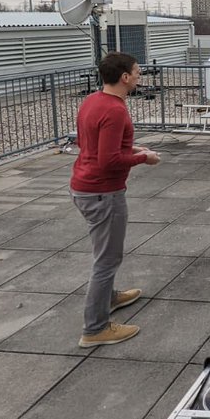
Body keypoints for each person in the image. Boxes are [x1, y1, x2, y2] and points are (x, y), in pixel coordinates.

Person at [70, 51, 160, 348]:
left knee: (104, 254)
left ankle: (108, 299)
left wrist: (131, 146)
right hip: (102, 192)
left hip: (86, 187)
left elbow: (90, 144)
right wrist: (143, 158)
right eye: (136, 72)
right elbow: (108, 161)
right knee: (107, 260)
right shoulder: (116, 110)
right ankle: (94, 328)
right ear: (124, 77)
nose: (139, 76)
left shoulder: (93, 101)